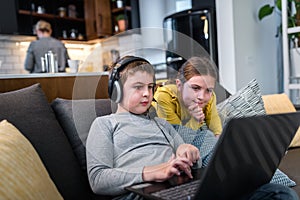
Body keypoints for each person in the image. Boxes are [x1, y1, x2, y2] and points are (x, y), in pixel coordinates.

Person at [86, 55, 299, 200]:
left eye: (150, 87)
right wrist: (154, 172)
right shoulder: (105, 124)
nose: (146, 93)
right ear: (116, 91)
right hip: (140, 194)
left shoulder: (161, 124)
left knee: (277, 193)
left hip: (179, 190)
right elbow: (98, 179)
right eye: (138, 87)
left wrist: (186, 151)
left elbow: (183, 149)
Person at [153, 56, 222, 136]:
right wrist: (195, 120)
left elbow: (217, 132)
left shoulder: (210, 96)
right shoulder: (164, 97)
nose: (202, 97)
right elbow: (177, 138)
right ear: (179, 85)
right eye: (195, 88)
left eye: (209, 90)